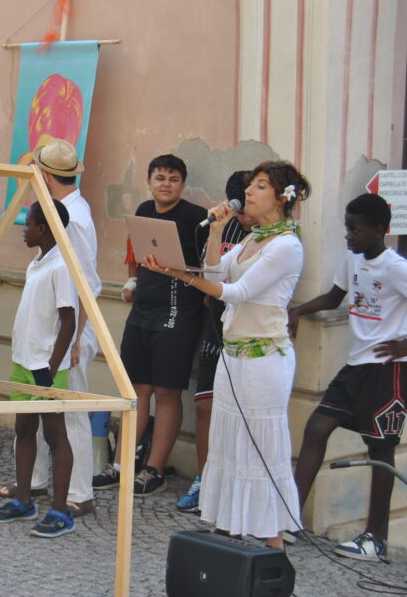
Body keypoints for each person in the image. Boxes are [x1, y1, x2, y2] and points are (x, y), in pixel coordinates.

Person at [142, 160, 310, 548]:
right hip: (233, 357)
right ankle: (228, 534)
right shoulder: (253, 239)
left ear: (283, 199)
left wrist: (182, 276)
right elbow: (217, 275)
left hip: (265, 360)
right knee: (229, 442)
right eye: (250, 185)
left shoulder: (286, 246)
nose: (249, 192)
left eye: (260, 186)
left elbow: (236, 293)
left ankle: (273, 543)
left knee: (262, 448)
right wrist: (216, 230)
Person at [289, 193, 406, 562]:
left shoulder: (396, 267)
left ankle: (375, 538)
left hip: (387, 369)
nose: (348, 236)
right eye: (346, 228)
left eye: (355, 230)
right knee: (316, 428)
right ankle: (289, 518)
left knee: (380, 450)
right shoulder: (351, 260)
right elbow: (333, 297)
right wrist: (297, 310)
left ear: (379, 230)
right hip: (355, 366)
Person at [96, 154, 207, 496]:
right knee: (136, 390)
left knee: (167, 392)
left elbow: (209, 264)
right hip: (143, 310)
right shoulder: (143, 210)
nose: (166, 184)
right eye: (160, 177)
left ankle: (154, 469)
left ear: (182, 184)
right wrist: (131, 284)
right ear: (149, 181)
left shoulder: (195, 217)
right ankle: (121, 464)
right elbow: (135, 254)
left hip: (179, 313)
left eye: (173, 179)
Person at [0, 138, 100, 517]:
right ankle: (35, 482)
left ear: (44, 174)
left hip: (67, 330)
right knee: (35, 411)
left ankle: (78, 492)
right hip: (46, 331)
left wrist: (74, 339)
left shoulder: (74, 217)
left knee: (68, 413)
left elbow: (85, 281)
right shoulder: (65, 208)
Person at [0, 199, 77, 538]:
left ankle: (61, 510)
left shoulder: (62, 266)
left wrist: (52, 370)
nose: (24, 228)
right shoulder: (36, 262)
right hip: (22, 363)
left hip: (45, 367)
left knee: (56, 436)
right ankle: (23, 499)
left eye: (28, 223)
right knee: (23, 430)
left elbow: (68, 322)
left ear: (43, 228)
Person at [177, 170, 254, 513]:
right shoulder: (226, 227)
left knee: (242, 415)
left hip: (250, 335)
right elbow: (211, 273)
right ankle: (203, 478)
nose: (241, 215)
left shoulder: (278, 239)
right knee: (205, 405)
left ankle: (238, 488)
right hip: (216, 325)